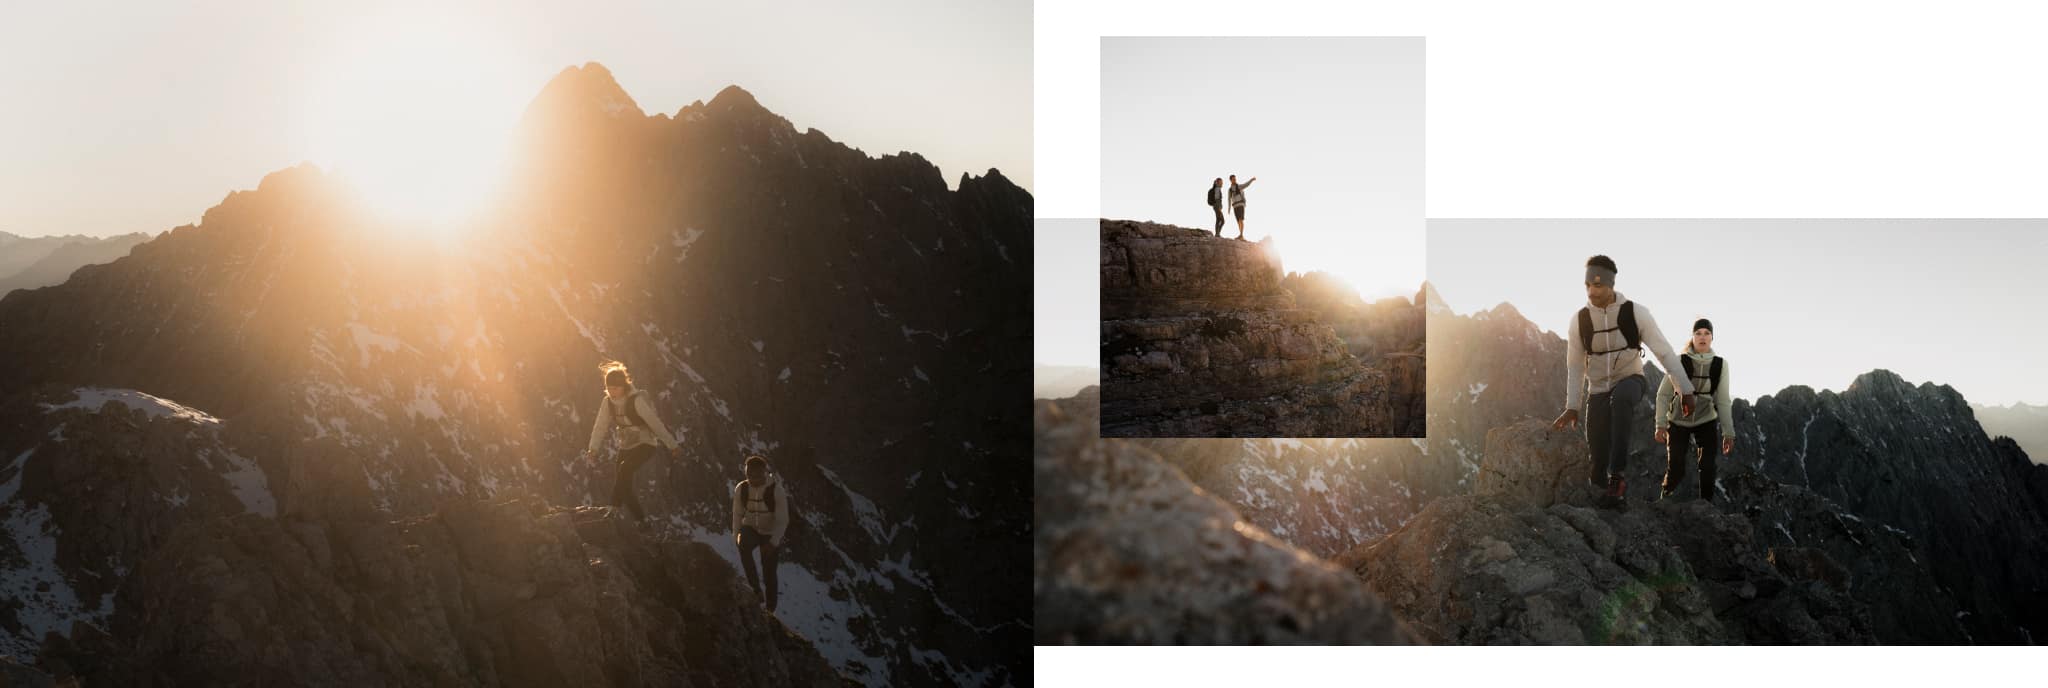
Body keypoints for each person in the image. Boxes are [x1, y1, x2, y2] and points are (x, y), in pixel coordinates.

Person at [1551, 255, 1696, 509]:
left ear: (1611, 285)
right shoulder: (1580, 320)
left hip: (1631, 380)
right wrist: (1572, 405)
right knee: (1596, 454)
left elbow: (1663, 351)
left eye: (1598, 286)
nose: (1592, 292)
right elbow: (1575, 365)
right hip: (1597, 389)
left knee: (1621, 398)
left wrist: (1684, 389)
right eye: (1587, 286)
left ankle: (1617, 479)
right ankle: (1600, 490)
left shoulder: (1635, 313)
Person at [579, 361, 682, 522]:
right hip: (626, 444)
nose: (612, 392)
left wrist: (672, 445)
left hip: (646, 443)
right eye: (609, 388)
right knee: (623, 483)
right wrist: (593, 449)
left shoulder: (636, 401)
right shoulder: (607, 403)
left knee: (624, 469)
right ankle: (641, 520)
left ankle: (613, 507)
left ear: (624, 386)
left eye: (616, 388)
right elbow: (600, 426)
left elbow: (654, 423)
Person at [1654, 318, 1735, 502]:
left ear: (1712, 338)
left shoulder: (1720, 365)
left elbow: (1723, 400)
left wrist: (1728, 433)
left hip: (1706, 419)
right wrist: (1660, 424)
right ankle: (1664, 499)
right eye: (1698, 333)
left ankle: (1706, 508)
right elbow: (1663, 394)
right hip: (1678, 419)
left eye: (1707, 333)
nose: (1702, 337)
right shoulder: (1678, 361)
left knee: (1707, 467)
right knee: (1676, 468)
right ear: (1692, 337)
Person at [732, 455, 791, 612]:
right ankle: (756, 591)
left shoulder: (776, 491)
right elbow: (737, 514)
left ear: (765, 473)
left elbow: (782, 520)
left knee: (769, 572)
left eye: (757, 475)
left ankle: (771, 610)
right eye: (749, 475)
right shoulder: (742, 488)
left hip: (770, 534)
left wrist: (773, 543)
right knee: (743, 544)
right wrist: (735, 536)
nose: (752, 479)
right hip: (750, 528)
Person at [1227, 174, 1257, 240]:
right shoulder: (1229, 190)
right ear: (1230, 180)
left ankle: (1241, 235)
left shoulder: (1239, 186)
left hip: (1240, 204)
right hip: (1235, 206)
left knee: (1241, 219)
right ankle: (1240, 235)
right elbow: (1229, 199)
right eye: (1233, 179)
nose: (1235, 180)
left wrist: (1251, 180)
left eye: (1235, 179)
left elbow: (1246, 184)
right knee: (1238, 221)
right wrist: (1229, 208)